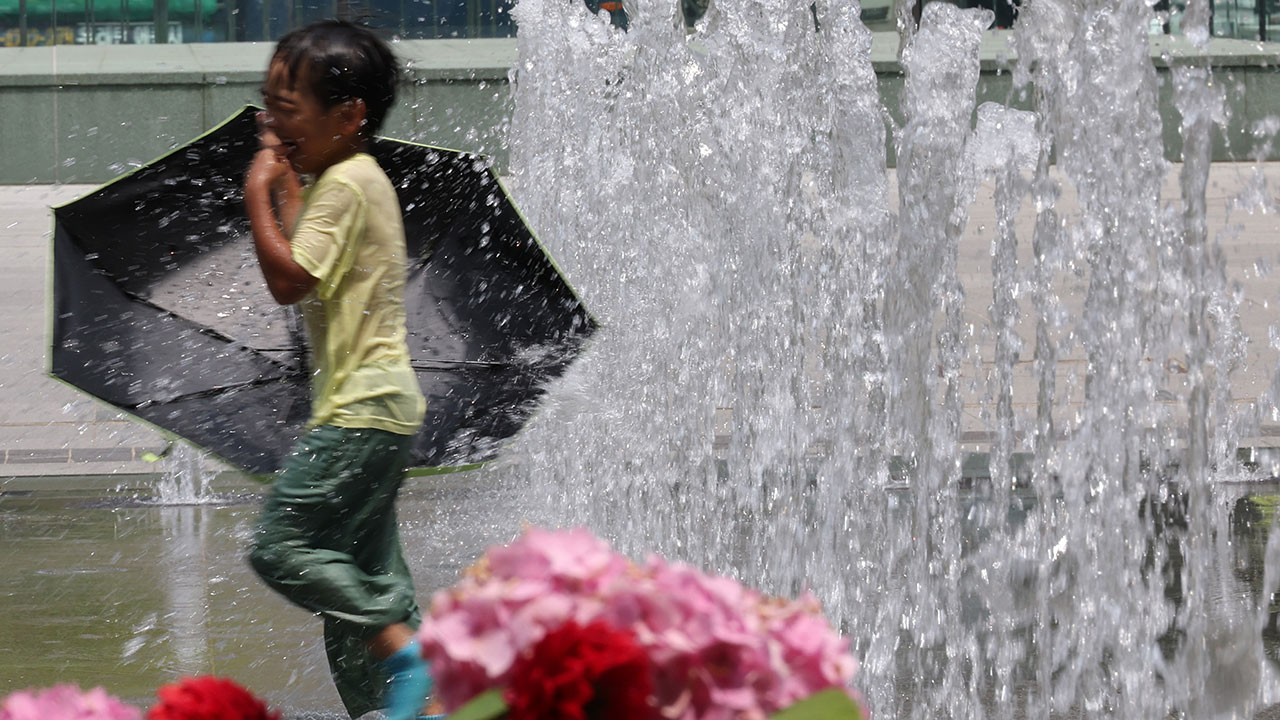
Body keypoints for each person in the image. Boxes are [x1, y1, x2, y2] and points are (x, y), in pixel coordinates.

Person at [241, 19, 438, 720]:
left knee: (281, 547)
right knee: (361, 575)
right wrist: (291, 189)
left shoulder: (349, 184)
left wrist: (257, 195)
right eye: (267, 104)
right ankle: (400, 708)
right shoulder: (348, 179)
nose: (271, 123)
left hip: (359, 412)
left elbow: (292, 278)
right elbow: (317, 263)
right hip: (379, 408)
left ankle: (410, 652)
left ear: (349, 115)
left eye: (286, 109)